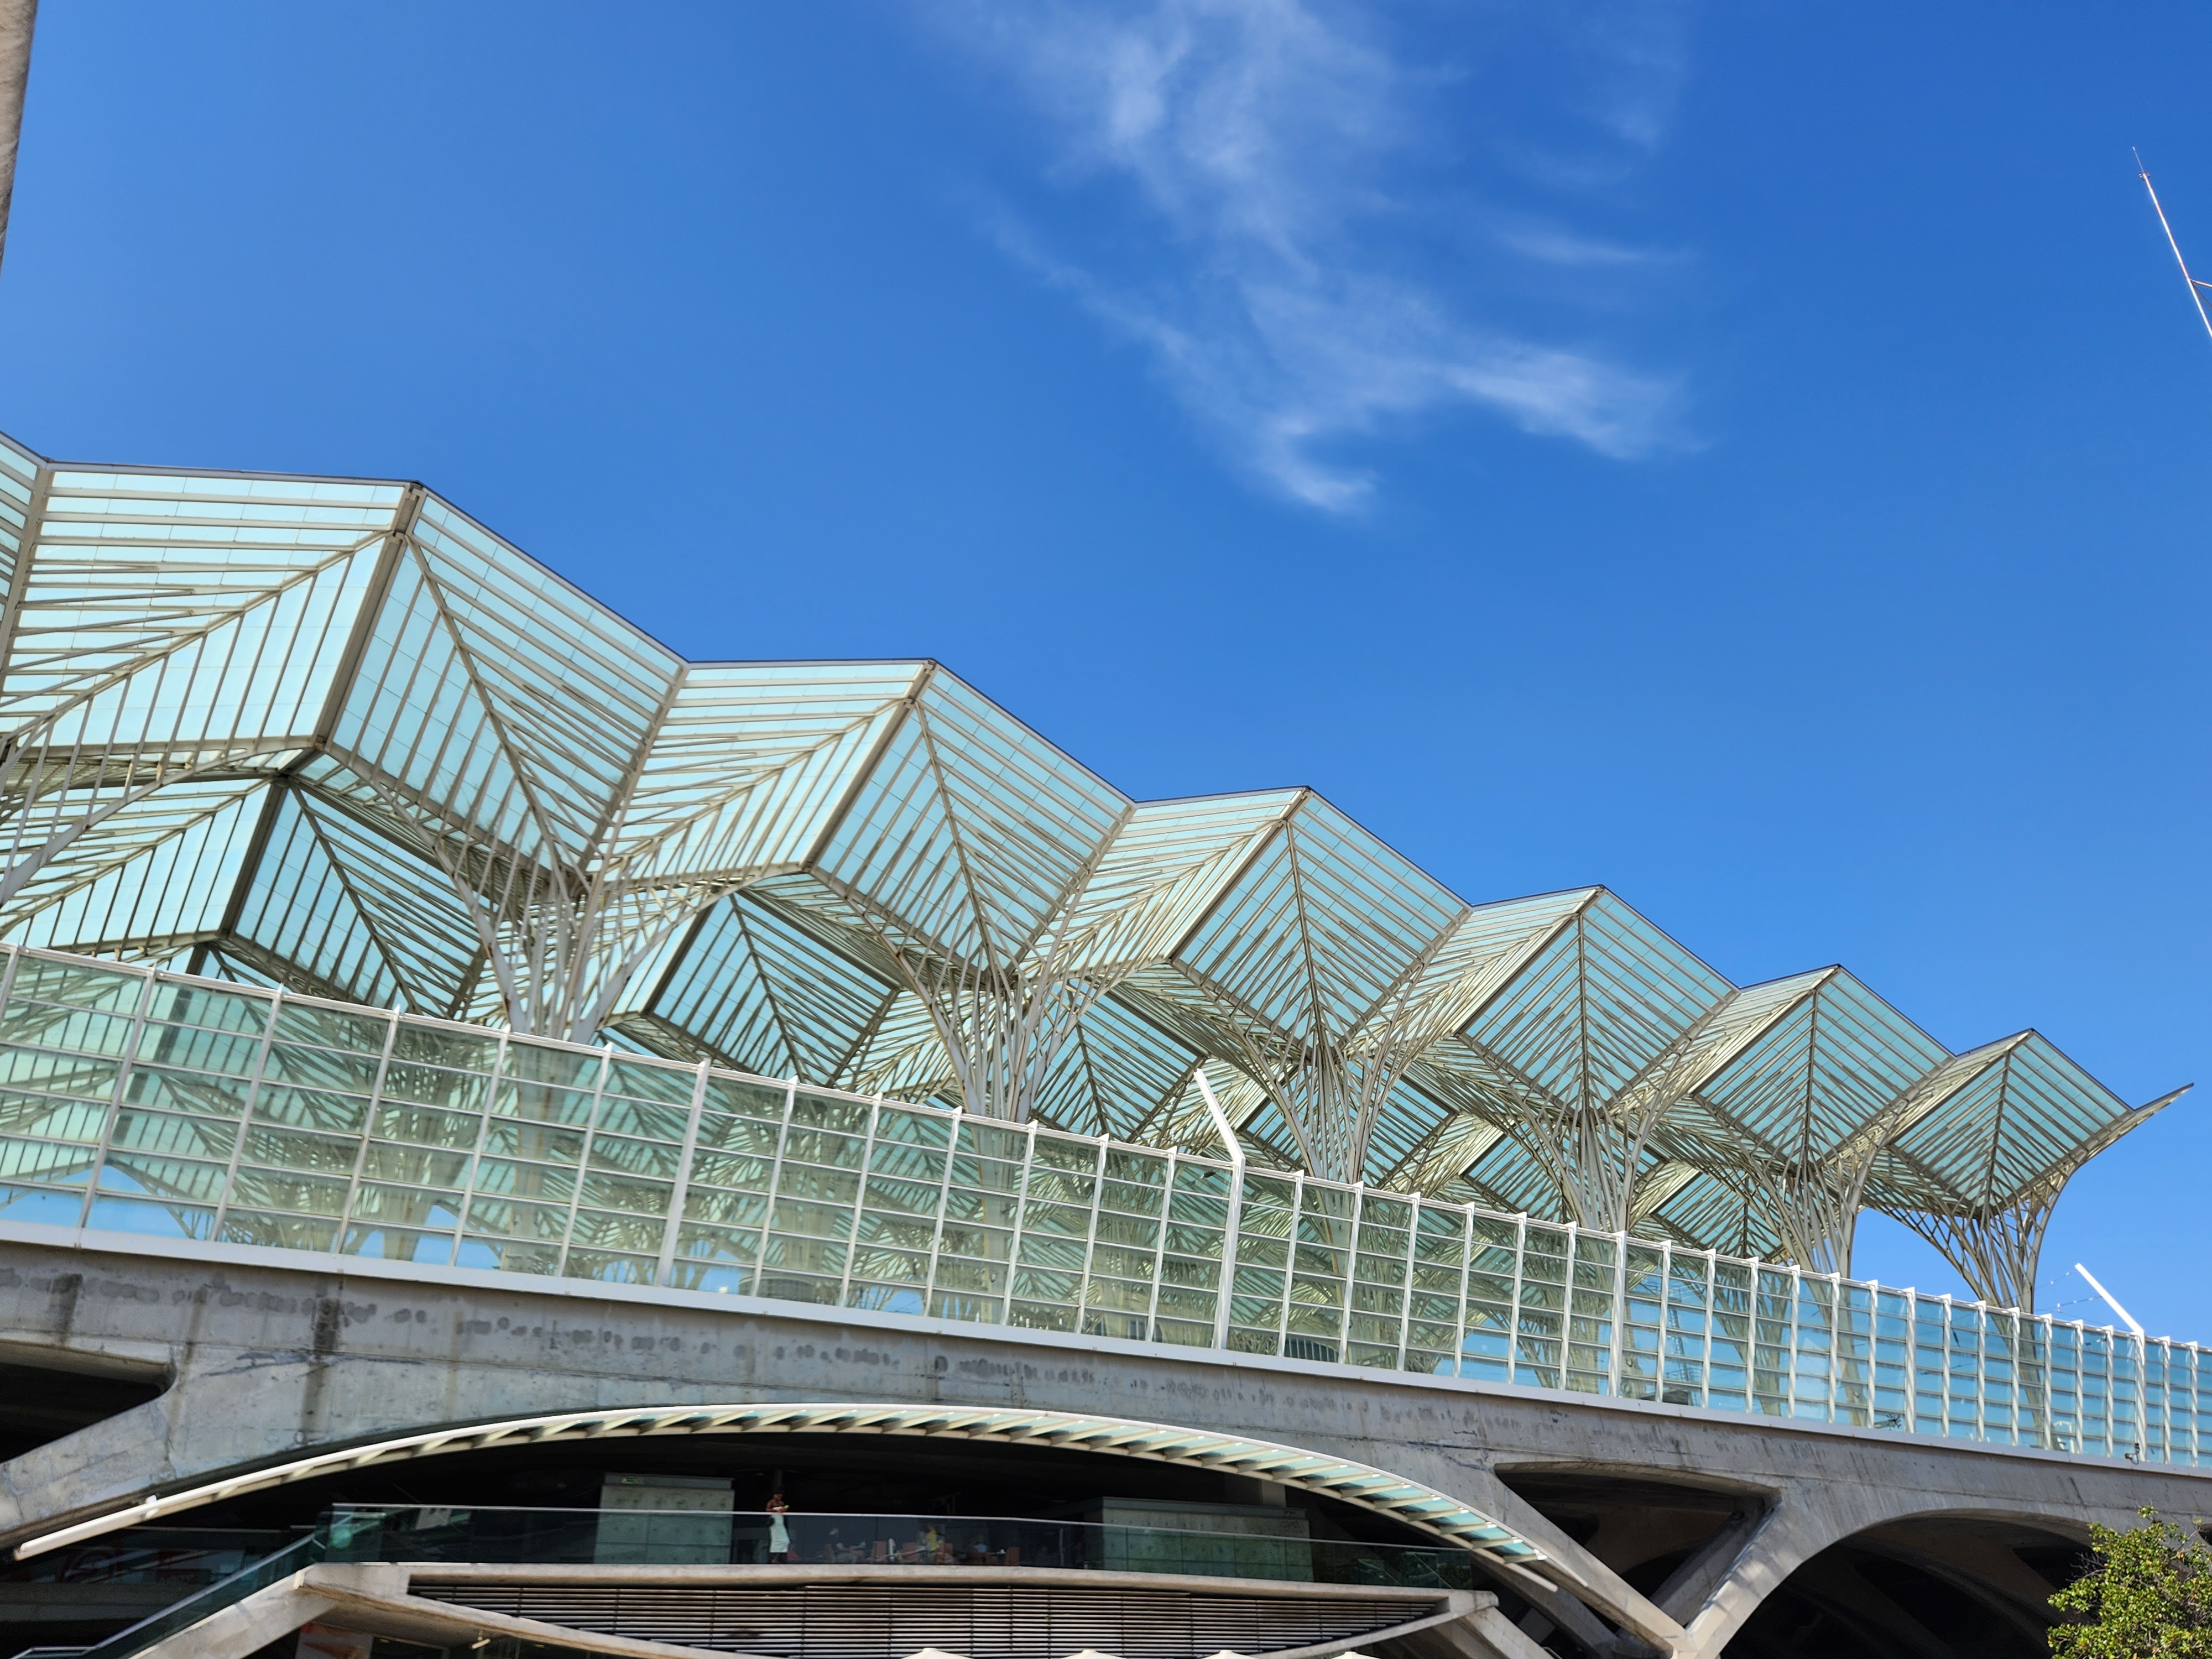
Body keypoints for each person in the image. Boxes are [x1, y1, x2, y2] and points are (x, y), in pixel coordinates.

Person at [766, 1491, 791, 1563]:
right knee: (776, 1540)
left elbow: (784, 1511)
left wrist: (784, 1510)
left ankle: (780, 1556)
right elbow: (767, 1510)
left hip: (780, 1521)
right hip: (774, 1521)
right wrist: (776, 1510)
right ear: (775, 1496)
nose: (780, 1498)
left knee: (785, 1540)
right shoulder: (771, 1502)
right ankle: (774, 1558)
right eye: (778, 1496)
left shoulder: (782, 1503)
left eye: (781, 1497)